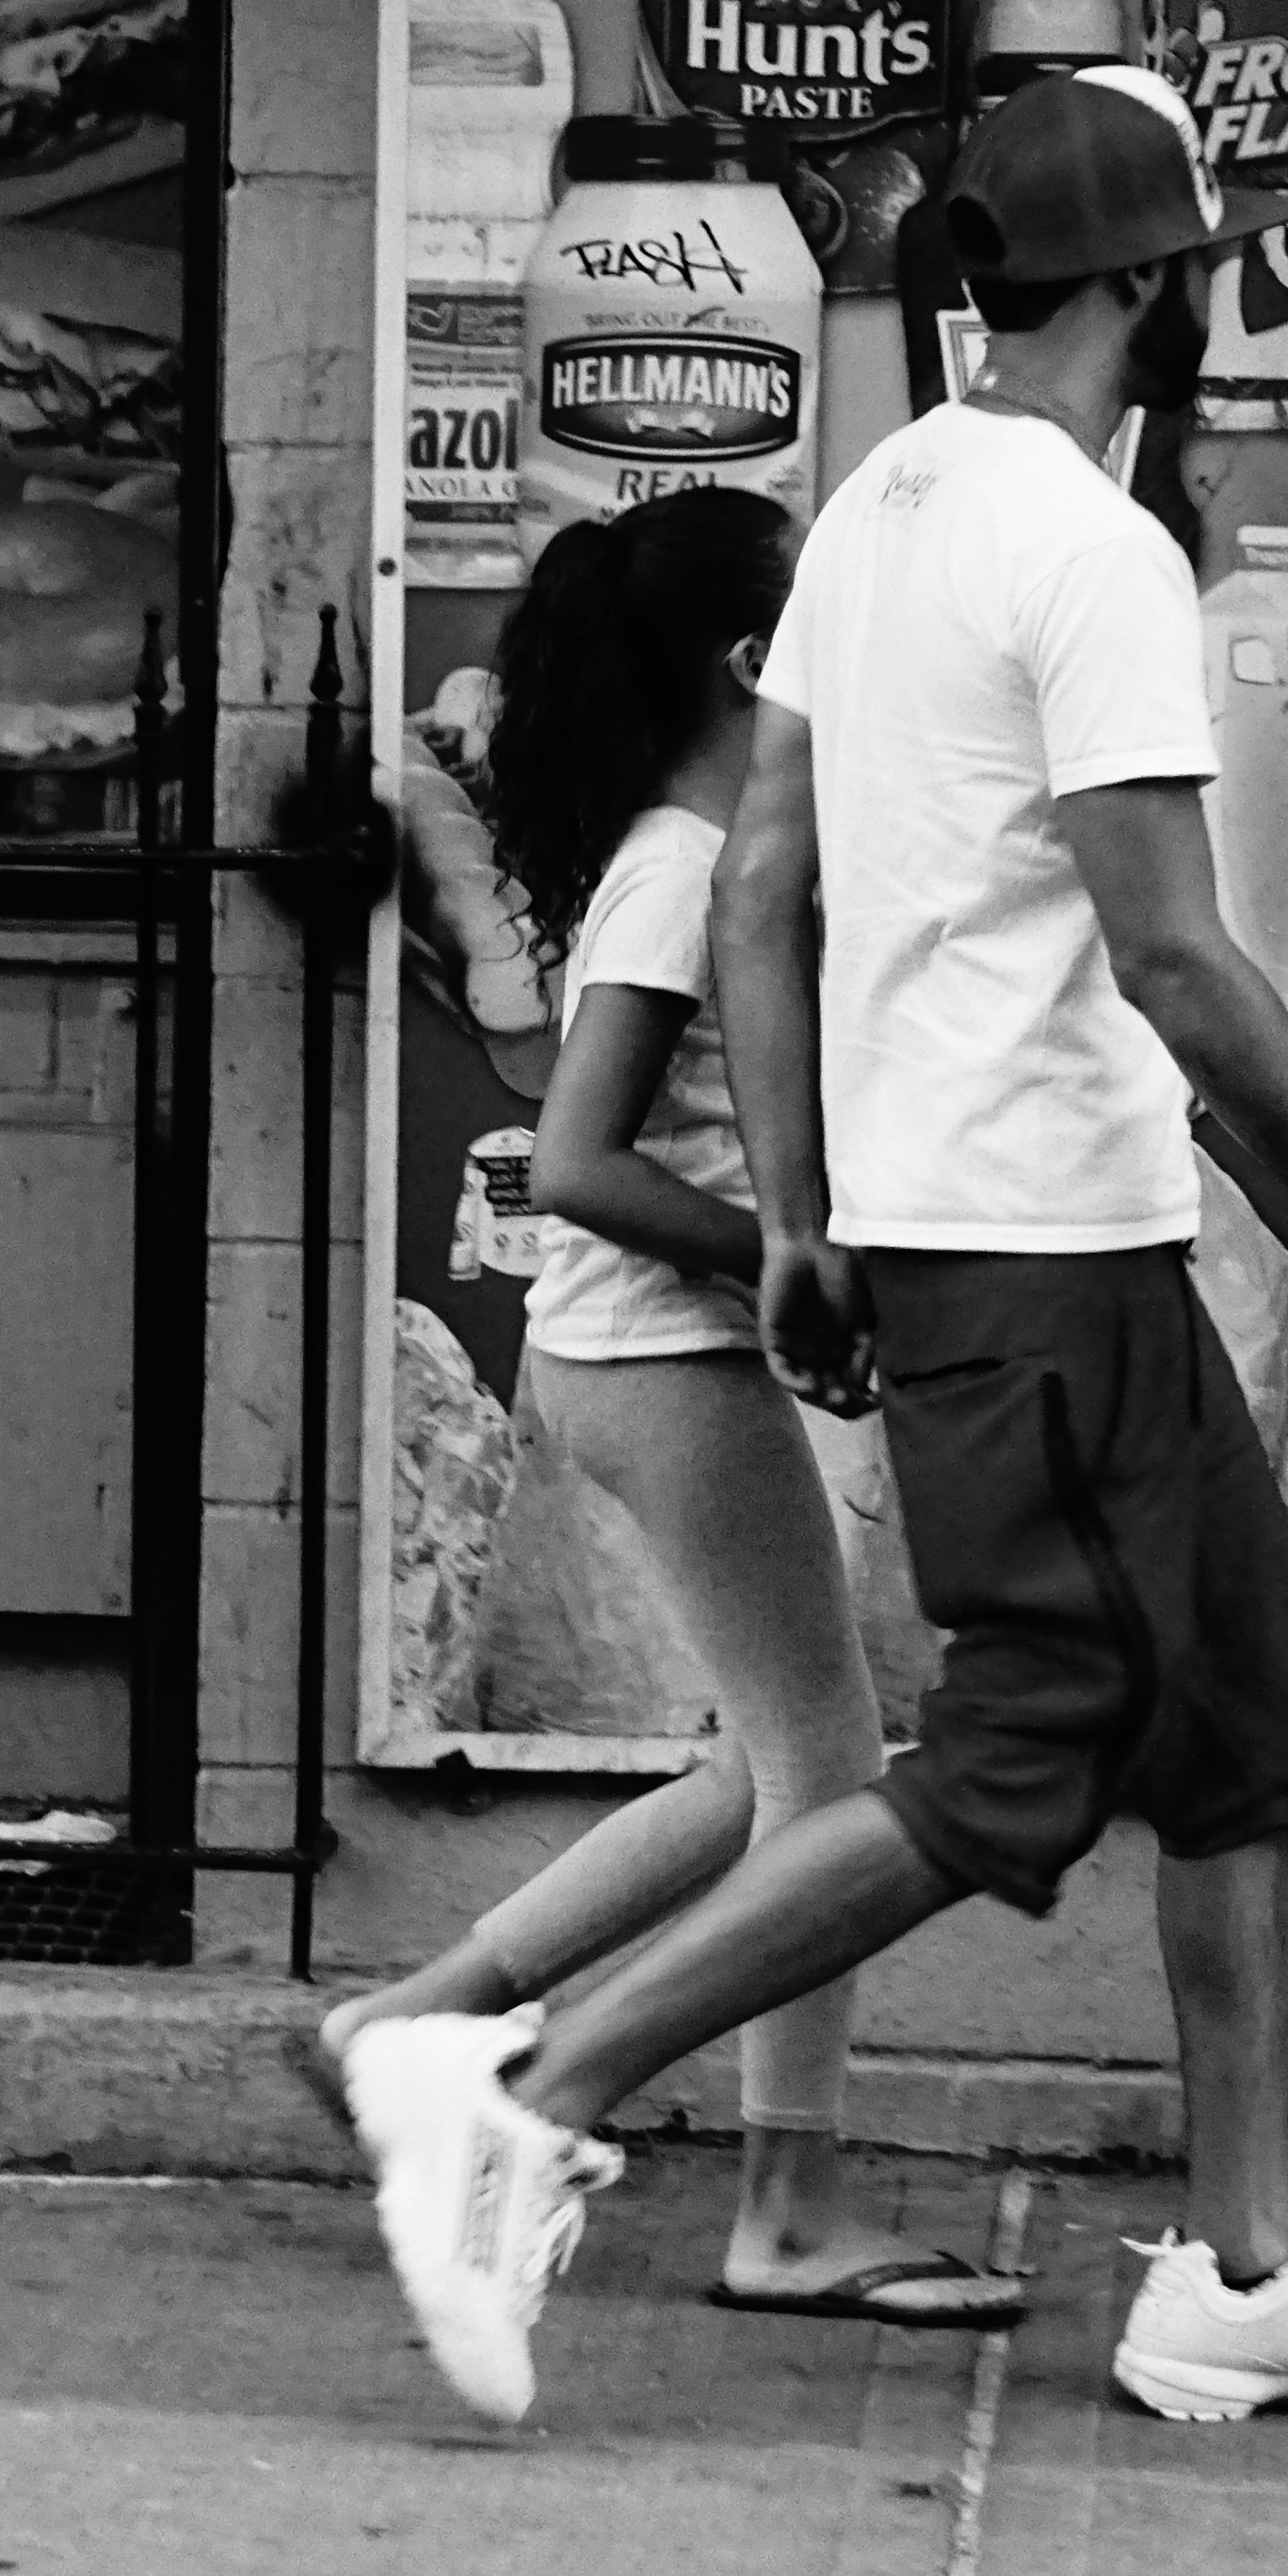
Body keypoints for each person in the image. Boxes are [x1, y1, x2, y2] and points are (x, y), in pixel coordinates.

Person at [346, 67, 1288, 2431]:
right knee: (1021, 1758)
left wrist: (802, 1211)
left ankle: (1239, 2261)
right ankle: (525, 2089)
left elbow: (774, 880)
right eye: (1190, 282)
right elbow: (1179, 950)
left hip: (973, 1229)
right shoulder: (1088, 550)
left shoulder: (883, 500)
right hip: (1047, 1247)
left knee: (1265, 1733)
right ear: (1148, 294)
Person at [316, 491, 1020, 2325]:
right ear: (752, 657)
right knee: (832, 1785)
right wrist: (788, 1253)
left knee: (755, 1767)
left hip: (655, 1352)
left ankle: (412, 2018)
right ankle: (783, 2207)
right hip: (659, 1354)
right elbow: (576, 1157)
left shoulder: (711, 847)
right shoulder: (684, 864)